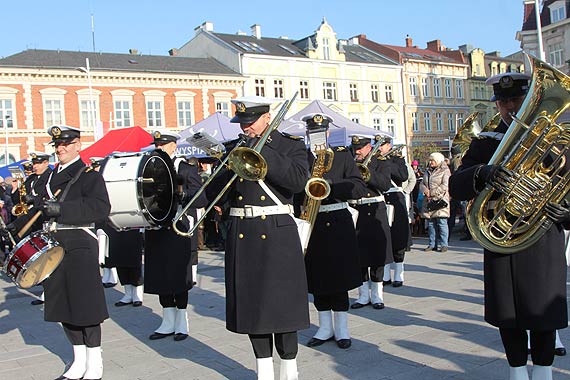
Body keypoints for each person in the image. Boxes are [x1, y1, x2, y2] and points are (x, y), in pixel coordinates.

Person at [450, 72, 569, 380]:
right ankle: (517, 372)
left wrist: (565, 213)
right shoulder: (485, 143)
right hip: (501, 240)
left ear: (529, 99)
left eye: (516, 100)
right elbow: (456, 185)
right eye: (504, 102)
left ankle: (543, 373)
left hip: (542, 237)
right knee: (509, 315)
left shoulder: (553, 140)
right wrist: (483, 172)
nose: (510, 107)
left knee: (543, 314)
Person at [208, 96, 309, 380]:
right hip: (244, 234)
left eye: (250, 123)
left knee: (283, 304)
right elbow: (215, 193)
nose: (245, 129)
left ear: (268, 118)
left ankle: (289, 368)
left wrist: (261, 152)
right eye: (241, 123)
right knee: (254, 305)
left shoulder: (291, 146)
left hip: (278, 231)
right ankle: (263, 368)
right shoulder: (234, 150)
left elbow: (298, 181)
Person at [9, 125, 111, 380]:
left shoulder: (88, 175)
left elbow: (100, 208)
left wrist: (60, 209)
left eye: (65, 144)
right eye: (57, 145)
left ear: (78, 145)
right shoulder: (50, 177)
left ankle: (95, 362)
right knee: (63, 305)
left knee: (85, 305)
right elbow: (40, 207)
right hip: (53, 246)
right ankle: (78, 360)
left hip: (79, 243)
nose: (60, 148)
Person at [300, 115, 365, 351]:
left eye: (320, 132)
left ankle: (343, 329)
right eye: (312, 132)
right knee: (317, 278)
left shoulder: (342, 154)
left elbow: (358, 185)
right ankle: (324, 327)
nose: (316, 136)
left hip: (337, 219)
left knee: (339, 278)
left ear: (327, 133)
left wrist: (330, 187)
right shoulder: (302, 157)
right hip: (312, 223)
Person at [144, 130, 206, 342]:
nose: (160, 148)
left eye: (164, 145)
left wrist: (182, 195)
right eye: (157, 145)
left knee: (178, 277)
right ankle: (167, 320)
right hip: (156, 227)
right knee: (161, 276)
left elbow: (201, 199)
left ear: (174, 146)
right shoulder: (148, 168)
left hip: (178, 227)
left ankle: (181, 321)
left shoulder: (185, 169)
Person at [349, 135, 393, 310]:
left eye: (360, 148)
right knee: (359, 257)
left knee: (377, 256)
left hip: (375, 211)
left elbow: (385, 184)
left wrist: (367, 174)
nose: (357, 151)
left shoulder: (381, 161)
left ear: (369, 147)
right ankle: (363, 295)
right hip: (357, 211)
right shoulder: (350, 162)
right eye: (355, 149)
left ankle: (377, 295)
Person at [380, 138, 412, 287]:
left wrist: (387, 163)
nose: (379, 148)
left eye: (382, 145)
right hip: (382, 199)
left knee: (398, 237)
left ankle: (399, 273)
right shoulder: (375, 159)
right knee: (384, 238)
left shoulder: (397, 159)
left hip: (395, 198)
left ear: (389, 146)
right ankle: (385, 274)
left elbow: (403, 176)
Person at [420, 152, 451, 252]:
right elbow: (422, 183)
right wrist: (425, 190)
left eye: (432, 160)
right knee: (431, 224)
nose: (430, 162)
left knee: (442, 223)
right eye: (430, 160)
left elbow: (445, 185)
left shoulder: (445, 170)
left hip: (440, 200)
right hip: (429, 201)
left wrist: (432, 193)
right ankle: (432, 244)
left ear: (437, 160)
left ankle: (444, 244)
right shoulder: (427, 171)